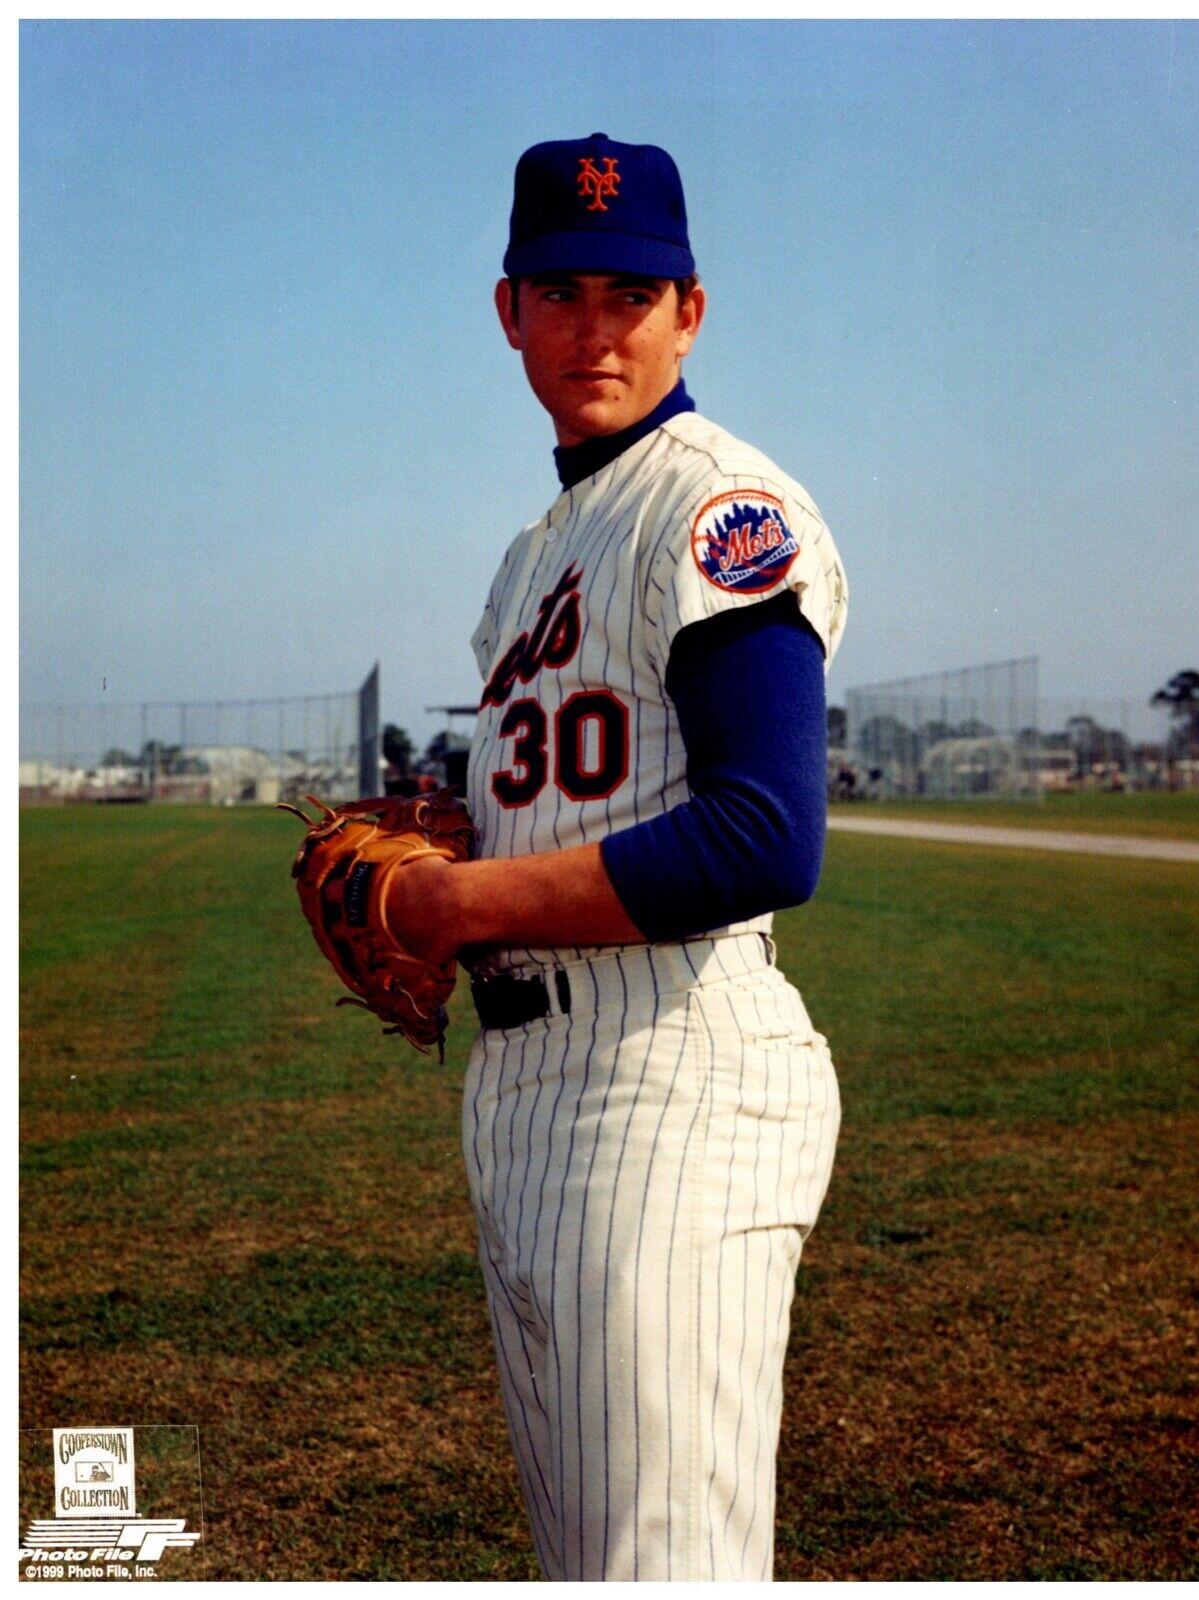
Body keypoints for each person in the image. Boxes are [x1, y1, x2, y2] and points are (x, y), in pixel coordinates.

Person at [389, 132, 848, 1582]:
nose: (598, 328)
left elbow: (761, 832)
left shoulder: (716, 503)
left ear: (690, 311)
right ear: (510, 310)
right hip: (527, 1086)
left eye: (633, 297)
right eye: (564, 291)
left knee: (665, 1567)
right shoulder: (533, 557)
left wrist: (457, 901)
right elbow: (562, 801)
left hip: (669, 1075)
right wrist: (441, 841)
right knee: (588, 1561)